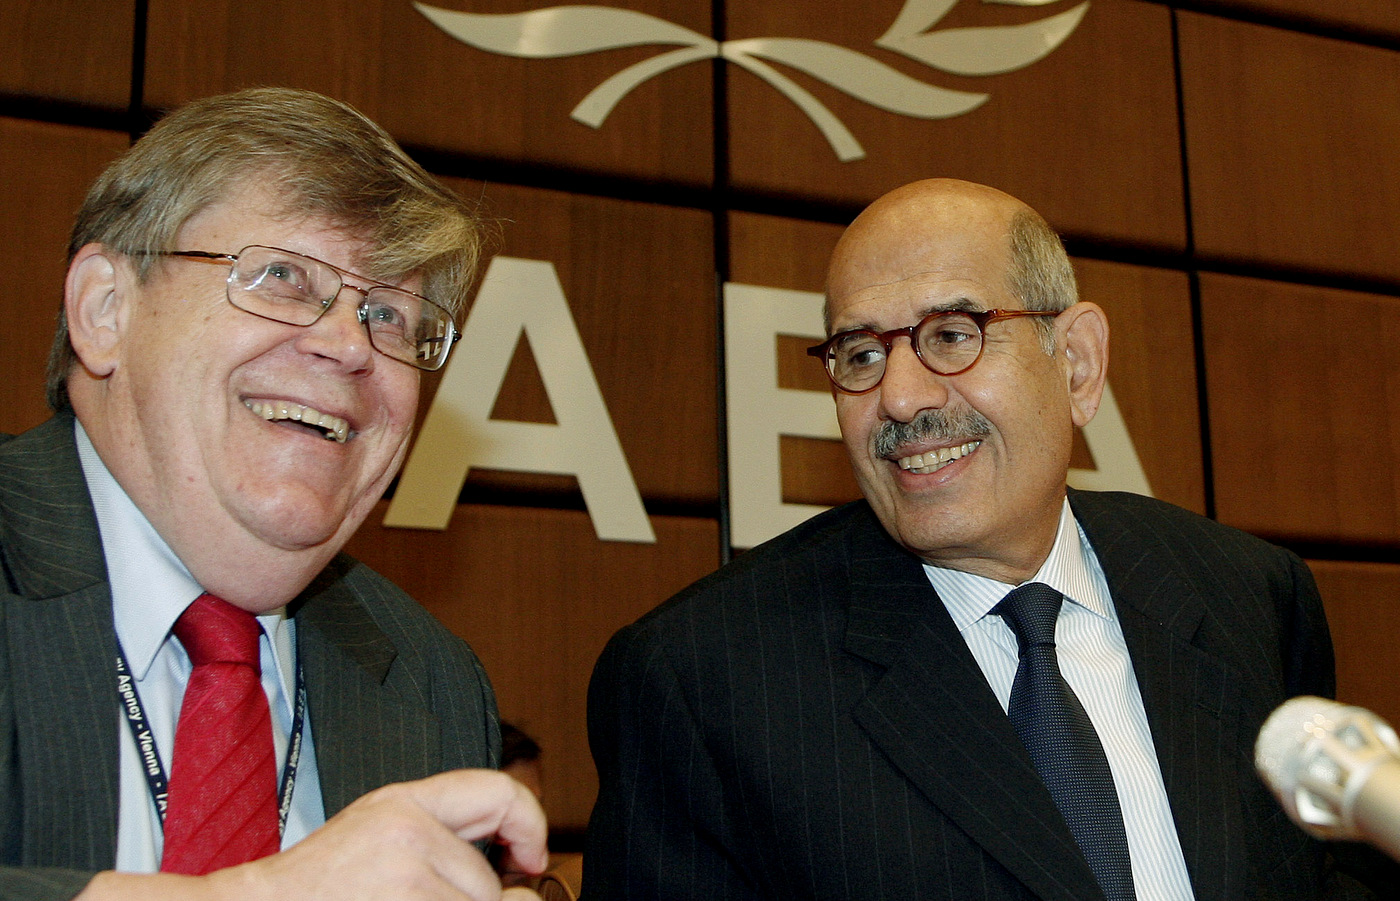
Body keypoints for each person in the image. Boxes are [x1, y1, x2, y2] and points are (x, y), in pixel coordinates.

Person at [0, 88, 544, 900]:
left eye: (394, 317)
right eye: (284, 276)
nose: (349, 345)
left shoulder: (429, 680)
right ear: (104, 310)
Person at [584, 178, 1393, 899]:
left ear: (1075, 363)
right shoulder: (703, 678)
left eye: (952, 333)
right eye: (860, 353)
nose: (899, 397)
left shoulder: (1248, 593)